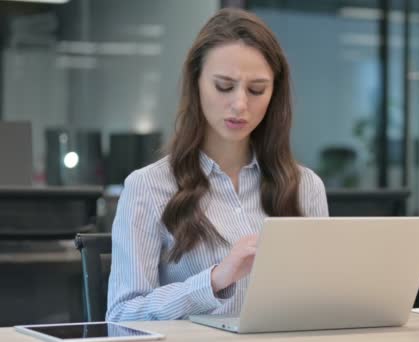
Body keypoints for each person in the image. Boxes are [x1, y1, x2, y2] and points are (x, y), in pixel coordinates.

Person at [106, 8, 328, 322]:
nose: (239, 104)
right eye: (224, 86)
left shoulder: (306, 187)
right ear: (196, 85)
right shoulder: (148, 187)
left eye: (256, 90)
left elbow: (322, 304)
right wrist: (215, 279)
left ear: (274, 94)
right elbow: (121, 315)